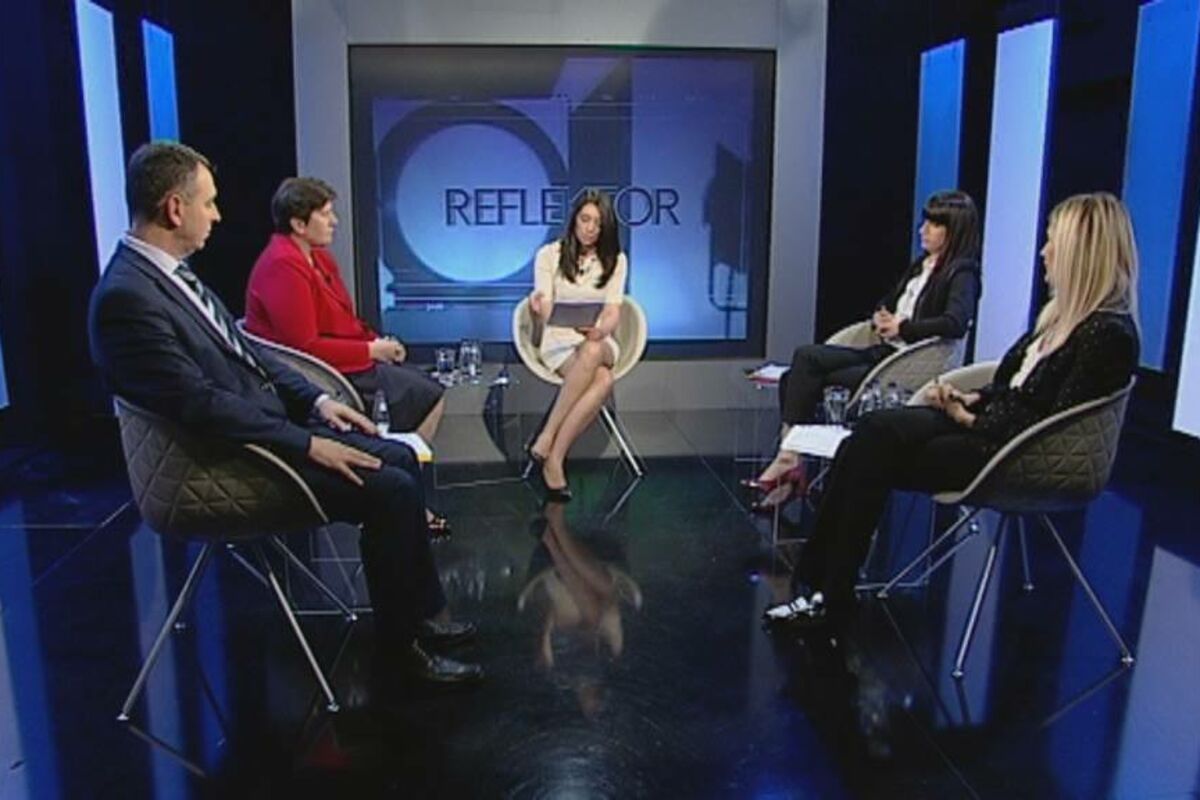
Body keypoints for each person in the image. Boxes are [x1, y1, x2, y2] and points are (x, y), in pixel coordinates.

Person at [88, 141, 481, 684]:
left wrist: (319, 401)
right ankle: (399, 657)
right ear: (175, 208)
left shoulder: (170, 276)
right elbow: (202, 405)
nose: (217, 215)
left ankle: (420, 617)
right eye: (208, 203)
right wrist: (309, 443)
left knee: (399, 457)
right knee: (390, 489)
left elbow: (252, 355)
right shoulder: (127, 299)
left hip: (265, 432)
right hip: (222, 462)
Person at [764, 192, 1139, 630]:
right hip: (992, 429)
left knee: (869, 450)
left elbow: (1053, 419)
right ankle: (824, 589)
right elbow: (1015, 388)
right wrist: (969, 398)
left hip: (1012, 453)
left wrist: (972, 418)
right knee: (869, 433)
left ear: (1081, 253)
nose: (1044, 251)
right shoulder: (1058, 320)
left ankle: (825, 593)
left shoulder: (1107, 334)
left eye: (1053, 241)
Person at [244, 177, 449, 536]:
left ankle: (404, 491)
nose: (334, 221)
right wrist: (370, 350)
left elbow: (344, 319)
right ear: (299, 224)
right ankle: (401, 496)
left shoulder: (318, 257)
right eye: (325, 214)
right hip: (318, 375)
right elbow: (304, 347)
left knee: (426, 387)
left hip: (344, 359)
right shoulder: (282, 264)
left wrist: (377, 342)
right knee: (426, 394)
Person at [750, 191, 982, 508]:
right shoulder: (922, 265)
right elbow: (889, 301)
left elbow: (955, 322)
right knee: (801, 367)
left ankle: (791, 461)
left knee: (804, 378)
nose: (923, 230)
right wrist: (882, 316)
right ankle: (791, 459)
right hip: (882, 351)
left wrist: (904, 327)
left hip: (908, 364)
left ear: (955, 230)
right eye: (924, 222)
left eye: (934, 224)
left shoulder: (963, 273)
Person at [527, 190, 629, 500]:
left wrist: (600, 330)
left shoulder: (616, 260)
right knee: (604, 379)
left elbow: (613, 310)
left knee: (594, 350)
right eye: (585, 219)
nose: (590, 228)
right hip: (559, 340)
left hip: (598, 338)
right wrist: (541, 309)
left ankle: (547, 437)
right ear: (574, 219)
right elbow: (545, 303)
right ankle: (555, 459)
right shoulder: (549, 255)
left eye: (598, 224)